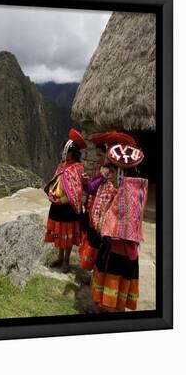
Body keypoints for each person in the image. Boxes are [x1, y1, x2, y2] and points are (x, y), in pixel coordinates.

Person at [90, 141, 148, 312]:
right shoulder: (132, 190)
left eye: (114, 171)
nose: (110, 175)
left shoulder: (127, 193)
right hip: (118, 249)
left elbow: (116, 222)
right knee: (114, 291)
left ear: (121, 173)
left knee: (114, 289)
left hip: (119, 251)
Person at [79, 131, 137, 273]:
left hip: (114, 224)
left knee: (105, 251)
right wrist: (86, 183)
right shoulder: (105, 172)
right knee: (98, 246)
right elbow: (92, 188)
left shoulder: (121, 177)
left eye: (103, 155)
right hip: (103, 218)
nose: (101, 158)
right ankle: (95, 273)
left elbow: (93, 187)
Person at [44, 128, 86, 273]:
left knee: (67, 236)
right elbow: (56, 181)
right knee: (59, 233)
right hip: (58, 206)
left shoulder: (77, 168)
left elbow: (76, 190)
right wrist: (53, 195)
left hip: (69, 207)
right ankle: (60, 257)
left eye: (66, 151)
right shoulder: (62, 165)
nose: (63, 153)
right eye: (63, 151)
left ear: (72, 152)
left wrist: (64, 199)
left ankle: (66, 260)